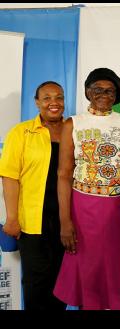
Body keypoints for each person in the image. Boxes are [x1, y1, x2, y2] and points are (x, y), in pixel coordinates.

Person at [53, 68, 120, 310]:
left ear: (117, 95)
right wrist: (65, 222)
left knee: (118, 271)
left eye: (110, 90)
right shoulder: (73, 123)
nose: (104, 94)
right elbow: (63, 175)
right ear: (87, 92)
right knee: (88, 275)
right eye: (98, 90)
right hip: (83, 211)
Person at [0, 81, 66, 310]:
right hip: (32, 223)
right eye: (46, 98)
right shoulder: (21, 132)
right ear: (37, 102)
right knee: (36, 286)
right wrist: (11, 218)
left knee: (62, 286)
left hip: (67, 223)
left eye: (58, 97)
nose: (53, 103)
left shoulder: (74, 131)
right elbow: (9, 176)